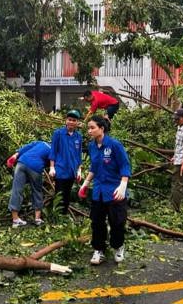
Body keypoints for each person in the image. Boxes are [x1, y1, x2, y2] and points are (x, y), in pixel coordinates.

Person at [78, 116, 131, 265]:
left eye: (92, 127)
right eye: (88, 128)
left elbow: (125, 165)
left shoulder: (114, 145)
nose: (89, 131)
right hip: (99, 191)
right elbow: (94, 166)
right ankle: (99, 249)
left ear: (101, 128)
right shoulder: (92, 146)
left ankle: (118, 246)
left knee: (117, 222)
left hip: (115, 191)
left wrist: (123, 185)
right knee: (97, 222)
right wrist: (86, 183)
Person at [6, 141, 51, 227]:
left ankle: (15, 219)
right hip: (35, 166)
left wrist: (15, 155)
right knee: (37, 191)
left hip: (21, 162)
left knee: (17, 189)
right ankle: (37, 219)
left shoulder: (41, 142)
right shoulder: (54, 150)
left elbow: (26, 147)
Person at [49, 109, 83, 215]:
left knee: (67, 194)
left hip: (72, 170)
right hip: (60, 169)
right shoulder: (58, 134)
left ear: (77, 122)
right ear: (65, 120)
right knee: (59, 194)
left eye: (74, 120)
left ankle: (63, 216)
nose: (71, 122)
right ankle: (57, 216)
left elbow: (79, 154)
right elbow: (53, 151)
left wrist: (79, 170)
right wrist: (52, 167)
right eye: (69, 119)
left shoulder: (78, 136)